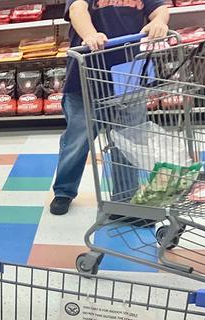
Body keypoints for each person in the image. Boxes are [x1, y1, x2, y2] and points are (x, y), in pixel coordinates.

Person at [49, 0, 170, 216]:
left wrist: (159, 21)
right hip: (87, 72)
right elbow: (77, 9)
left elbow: (159, 8)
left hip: (128, 73)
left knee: (128, 139)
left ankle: (124, 198)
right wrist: (90, 34)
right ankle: (64, 191)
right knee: (77, 140)